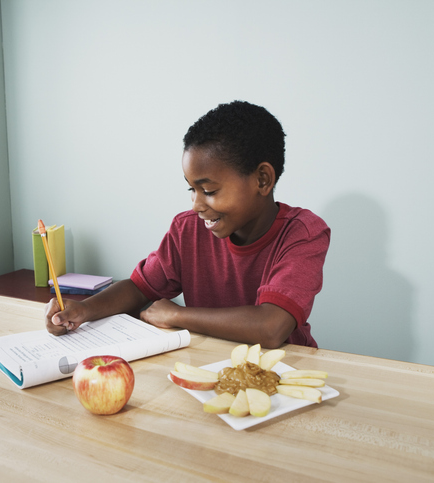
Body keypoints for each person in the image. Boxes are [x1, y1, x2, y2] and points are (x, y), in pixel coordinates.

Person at [45, 100, 330, 348]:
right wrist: (83, 310)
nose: (196, 205)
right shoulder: (187, 229)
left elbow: (271, 327)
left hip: (286, 371)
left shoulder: (303, 234)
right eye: (191, 189)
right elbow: (138, 288)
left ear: (262, 180)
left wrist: (177, 315)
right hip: (210, 364)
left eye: (209, 191)